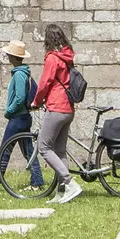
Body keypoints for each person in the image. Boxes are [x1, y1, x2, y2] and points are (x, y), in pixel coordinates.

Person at [0, 40, 44, 192]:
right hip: (24, 118)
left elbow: (19, 97)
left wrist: (9, 111)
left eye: (9, 54)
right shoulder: (23, 72)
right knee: (28, 151)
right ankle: (37, 181)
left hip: (18, 118)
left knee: (4, 151)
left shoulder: (19, 74)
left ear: (12, 57)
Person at [30, 22, 82, 203]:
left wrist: (36, 101)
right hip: (68, 109)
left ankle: (69, 183)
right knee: (60, 151)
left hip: (56, 107)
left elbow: (45, 83)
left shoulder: (52, 58)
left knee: (44, 147)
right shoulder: (67, 57)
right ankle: (63, 192)